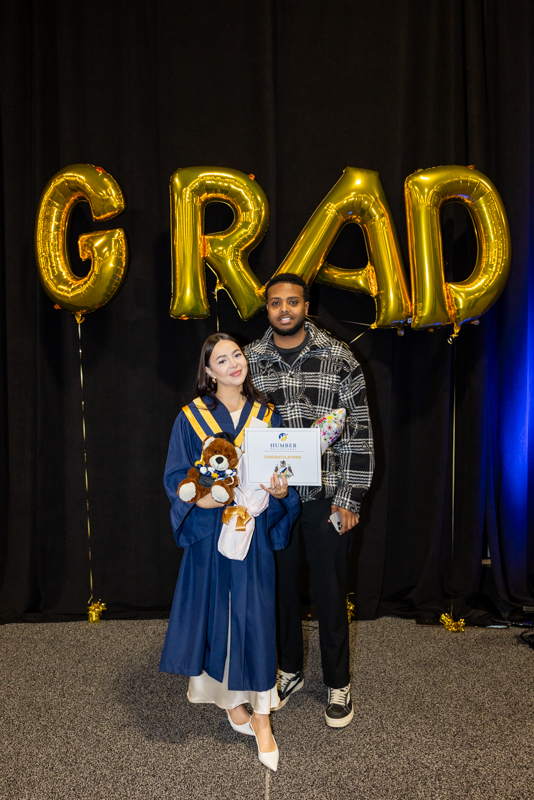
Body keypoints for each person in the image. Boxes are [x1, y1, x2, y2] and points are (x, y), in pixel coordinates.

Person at [160, 333, 300, 771]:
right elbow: (176, 476)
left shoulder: (267, 414)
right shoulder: (191, 417)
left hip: (252, 530)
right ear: (209, 371)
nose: (234, 363)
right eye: (222, 359)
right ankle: (228, 702)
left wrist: (281, 489)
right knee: (217, 615)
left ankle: (261, 715)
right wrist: (201, 500)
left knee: (255, 614)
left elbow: (283, 476)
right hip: (211, 533)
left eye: (237, 355)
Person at [245, 274, 374, 728]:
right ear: (267, 308)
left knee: (330, 591)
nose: (284, 309)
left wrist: (350, 499)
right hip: (273, 501)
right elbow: (238, 429)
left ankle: (338, 681)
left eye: (293, 302)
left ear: (306, 304)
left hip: (325, 497)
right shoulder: (250, 361)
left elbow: (358, 432)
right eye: (276, 302)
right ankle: (290, 670)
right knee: (279, 591)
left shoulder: (339, 357)